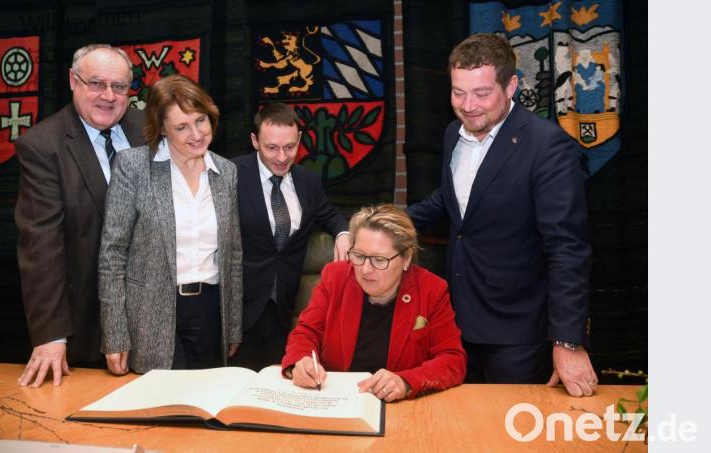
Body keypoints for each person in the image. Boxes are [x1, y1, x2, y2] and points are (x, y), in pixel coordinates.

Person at [407, 33, 597, 397]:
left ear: (511, 86)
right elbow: (453, 201)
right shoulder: (452, 134)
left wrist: (567, 341)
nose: (468, 105)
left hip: (517, 335)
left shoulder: (547, 146)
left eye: (481, 93)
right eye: (458, 93)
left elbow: (567, 249)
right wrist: (377, 225)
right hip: (457, 324)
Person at [14, 44, 145, 388]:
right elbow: (41, 247)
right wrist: (51, 336)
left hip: (154, 318)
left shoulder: (151, 129)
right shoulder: (43, 145)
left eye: (119, 87)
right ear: (73, 81)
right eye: (96, 83)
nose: (108, 96)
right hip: (88, 324)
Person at [98, 74, 242, 374]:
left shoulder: (226, 172)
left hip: (209, 311)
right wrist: (114, 335)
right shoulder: (133, 166)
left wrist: (233, 327)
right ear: (162, 128)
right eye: (182, 126)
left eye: (201, 120)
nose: (197, 133)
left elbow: (234, 256)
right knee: (158, 407)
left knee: (203, 406)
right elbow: (112, 257)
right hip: (149, 313)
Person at [282, 204, 466, 402]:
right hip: (336, 401)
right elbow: (306, 332)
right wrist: (300, 361)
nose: (366, 270)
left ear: (406, 258)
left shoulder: (432, 290)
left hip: (400, 407)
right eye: (359, 256)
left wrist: (406, 382)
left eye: (379, 260)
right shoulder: (335, 278)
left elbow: (453, 360)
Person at [231, 103, 351, 371]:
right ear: (254, 141)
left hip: (283, 308)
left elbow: (330, 213)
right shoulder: (232, 174)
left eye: (290, 147)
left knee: (277, 389)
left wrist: (344, 233)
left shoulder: (308, 181)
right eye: (272, 147)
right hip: (239, 311)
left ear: (299, 140)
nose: (282, 157)